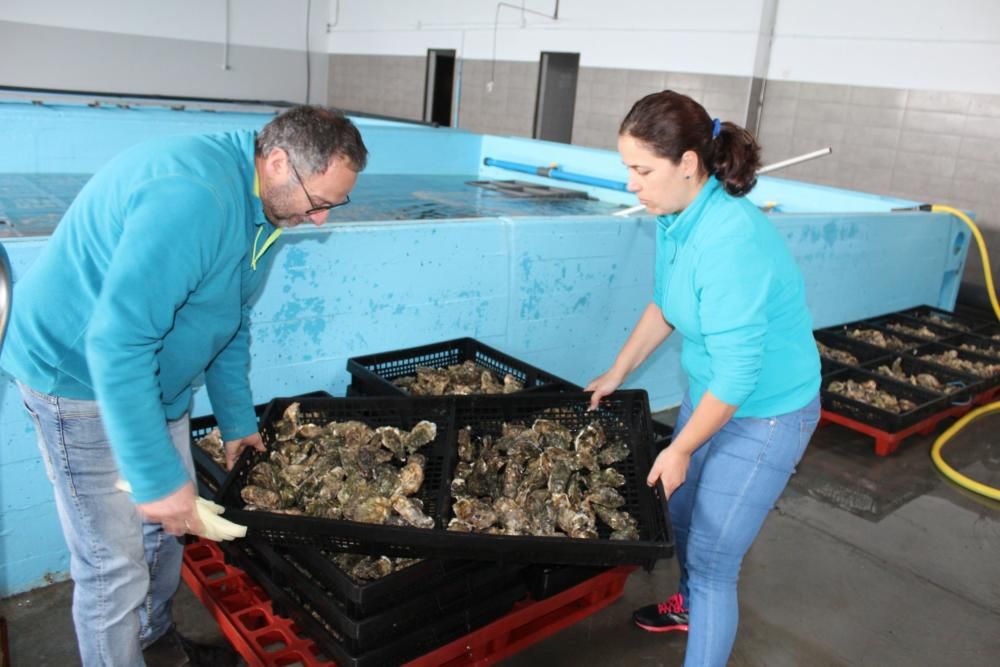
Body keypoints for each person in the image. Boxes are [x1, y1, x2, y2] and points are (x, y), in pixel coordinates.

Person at [0, 105, 367, 666]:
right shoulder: (195, 198)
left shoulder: (266, 206)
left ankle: (154, 641)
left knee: (165, 533)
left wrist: (237, 424)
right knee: (113, 568)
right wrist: (152, 477)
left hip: (152, 382)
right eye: (319, 202)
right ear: (276, 161)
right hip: (78, 378)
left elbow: (229, 318)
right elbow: (115, 343)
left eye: (333, 206)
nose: (320, 220)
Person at [586, 90, 821, 667]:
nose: (631, 185)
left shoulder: (729, 241)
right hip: (711, 394)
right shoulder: (675, 219)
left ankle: (703, 605)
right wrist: (616, 372)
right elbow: (667, 304)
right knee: (685, 514)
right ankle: (688, 603)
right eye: (627, 170)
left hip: (768, 411)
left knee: (716, 559)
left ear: (687, 165)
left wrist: (683, 446)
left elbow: (741, 373)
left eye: (642, 170)